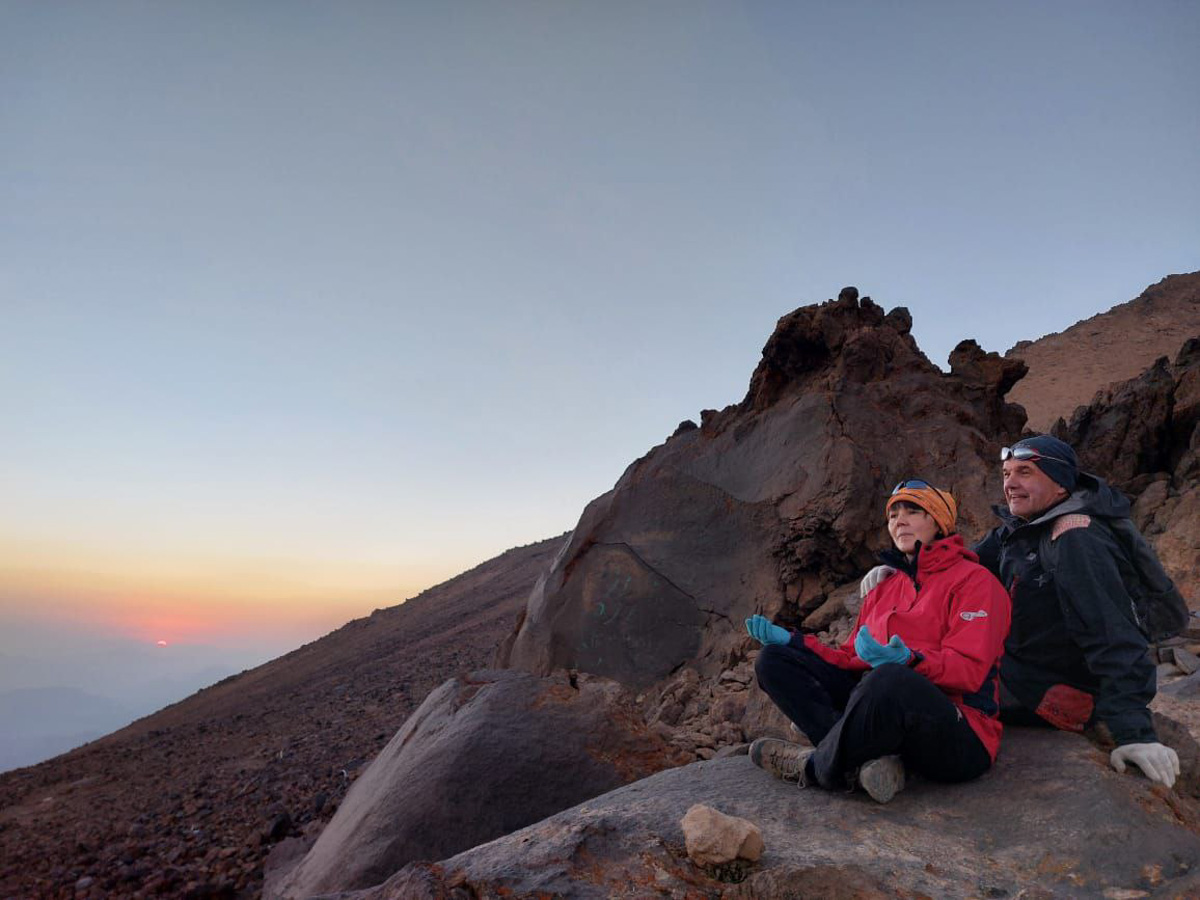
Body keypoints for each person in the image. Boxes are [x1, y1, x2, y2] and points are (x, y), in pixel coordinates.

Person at [863, 435, 1181, 788]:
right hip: (1021, 671)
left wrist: (1134, 733)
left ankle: (881, 748)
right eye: (1006, 473)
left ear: (1060, 482)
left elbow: (1113, 635)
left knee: (924, 676)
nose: (1010, 484)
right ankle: (862, 728)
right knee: (924, 646)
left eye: (1025, 472)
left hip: (1053, 693)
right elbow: (960, 564)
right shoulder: (1021, 530)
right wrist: (904, 570)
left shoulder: (1076, 540)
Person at [745, 480, 1011, 803]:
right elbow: (848, 658)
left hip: (960, 731)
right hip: (890, 715)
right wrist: (792, 641)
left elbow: (969, 671)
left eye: (913, 511)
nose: (900, 520)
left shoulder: (976, 582)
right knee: (774, 661)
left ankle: (816, 766)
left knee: (890, 679)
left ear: (939, 522)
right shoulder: (883, 589)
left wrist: (910, 660)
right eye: (893, 514)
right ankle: (868, 763)